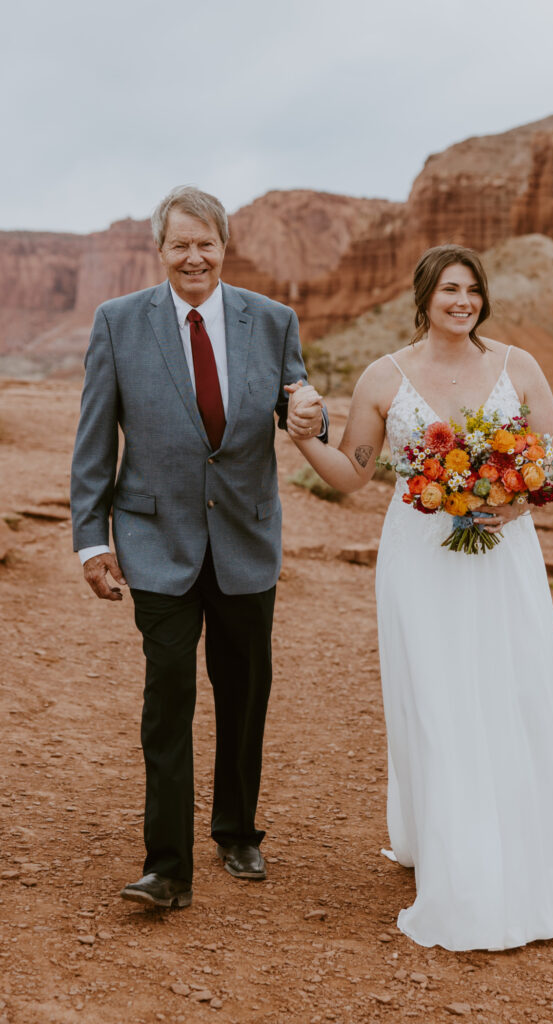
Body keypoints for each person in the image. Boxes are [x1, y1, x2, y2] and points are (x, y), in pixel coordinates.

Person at [285, 244, 553, 950]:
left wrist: (511, 504)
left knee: (514, 683)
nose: (460, 301)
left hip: (502, 553)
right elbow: (350, 473)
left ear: (482, 298)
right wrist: (300, 440)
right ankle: (453, 844)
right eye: (447, 290)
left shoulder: (515, 365)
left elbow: (550, 460)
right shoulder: (384, 377)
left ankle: (529, 827)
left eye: (471, 290)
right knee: (436, 694)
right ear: (423, 297)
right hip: (419, 558)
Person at [70, 185, 326, 909]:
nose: (192, 256)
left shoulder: (271, 321)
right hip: (155, 539)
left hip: (245, 537)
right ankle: (166, 865)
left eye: (204, 243)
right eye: (178, 244)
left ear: (223, 247)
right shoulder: (118, 323)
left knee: (244, 694)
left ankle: (237, 830)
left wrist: (312, 407)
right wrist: (91, 541)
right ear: (160, 250)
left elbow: (298, 401)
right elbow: (94, 440)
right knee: (168, 697)